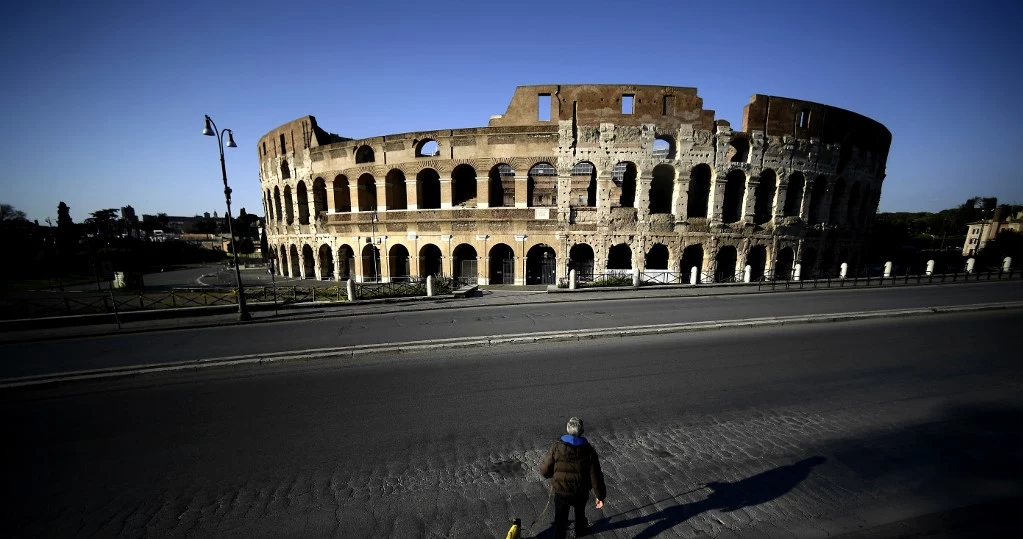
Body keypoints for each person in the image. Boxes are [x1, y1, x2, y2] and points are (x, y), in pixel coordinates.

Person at [540, 417, 606, 538]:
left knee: (560, 519)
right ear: (582, 431)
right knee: (580, 514)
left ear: (567, 429)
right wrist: (600, 496)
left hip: (561, 491)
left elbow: (544, 469)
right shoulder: (589, 450)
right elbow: (595, 475)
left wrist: (551, 475)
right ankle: (580, 532)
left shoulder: (557, 447)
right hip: (580, 491)